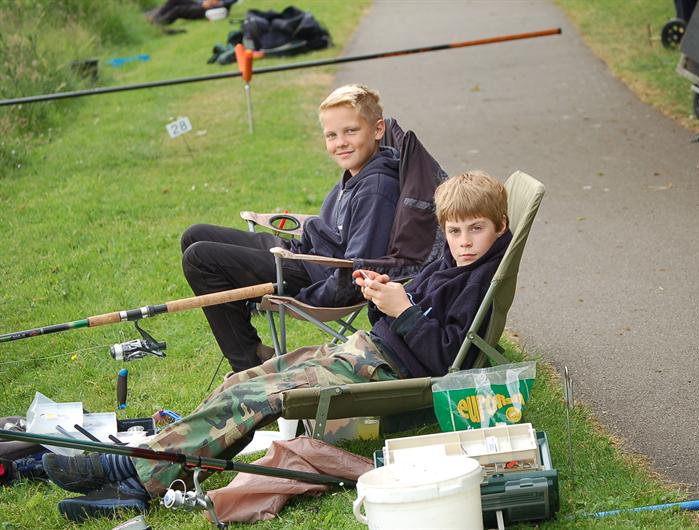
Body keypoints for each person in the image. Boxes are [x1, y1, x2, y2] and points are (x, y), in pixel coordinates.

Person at [43, 171, 512, 522]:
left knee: (255, 398)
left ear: (500, 225)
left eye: (476, 229)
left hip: (384, 371)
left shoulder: (478, 281)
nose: (464, 242)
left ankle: (128, 473)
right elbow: (407, 316)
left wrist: (402, 310)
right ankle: (142, 472)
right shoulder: (450, 264)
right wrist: (383, 296)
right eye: (454, 231)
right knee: (244, 379)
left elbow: (442, 357)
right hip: (366, 350)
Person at [181, 84, 400, 371]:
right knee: (195, 235)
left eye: (351, 131)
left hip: (318, 276)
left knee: (200, 258)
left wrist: (305, 297)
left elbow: (358, 268)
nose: (341, 143)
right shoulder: (358, 172)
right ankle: (251, 349)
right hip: (306, 256)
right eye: (332, 135)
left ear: (378, 129)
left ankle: (248, 364)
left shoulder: (377, 188)